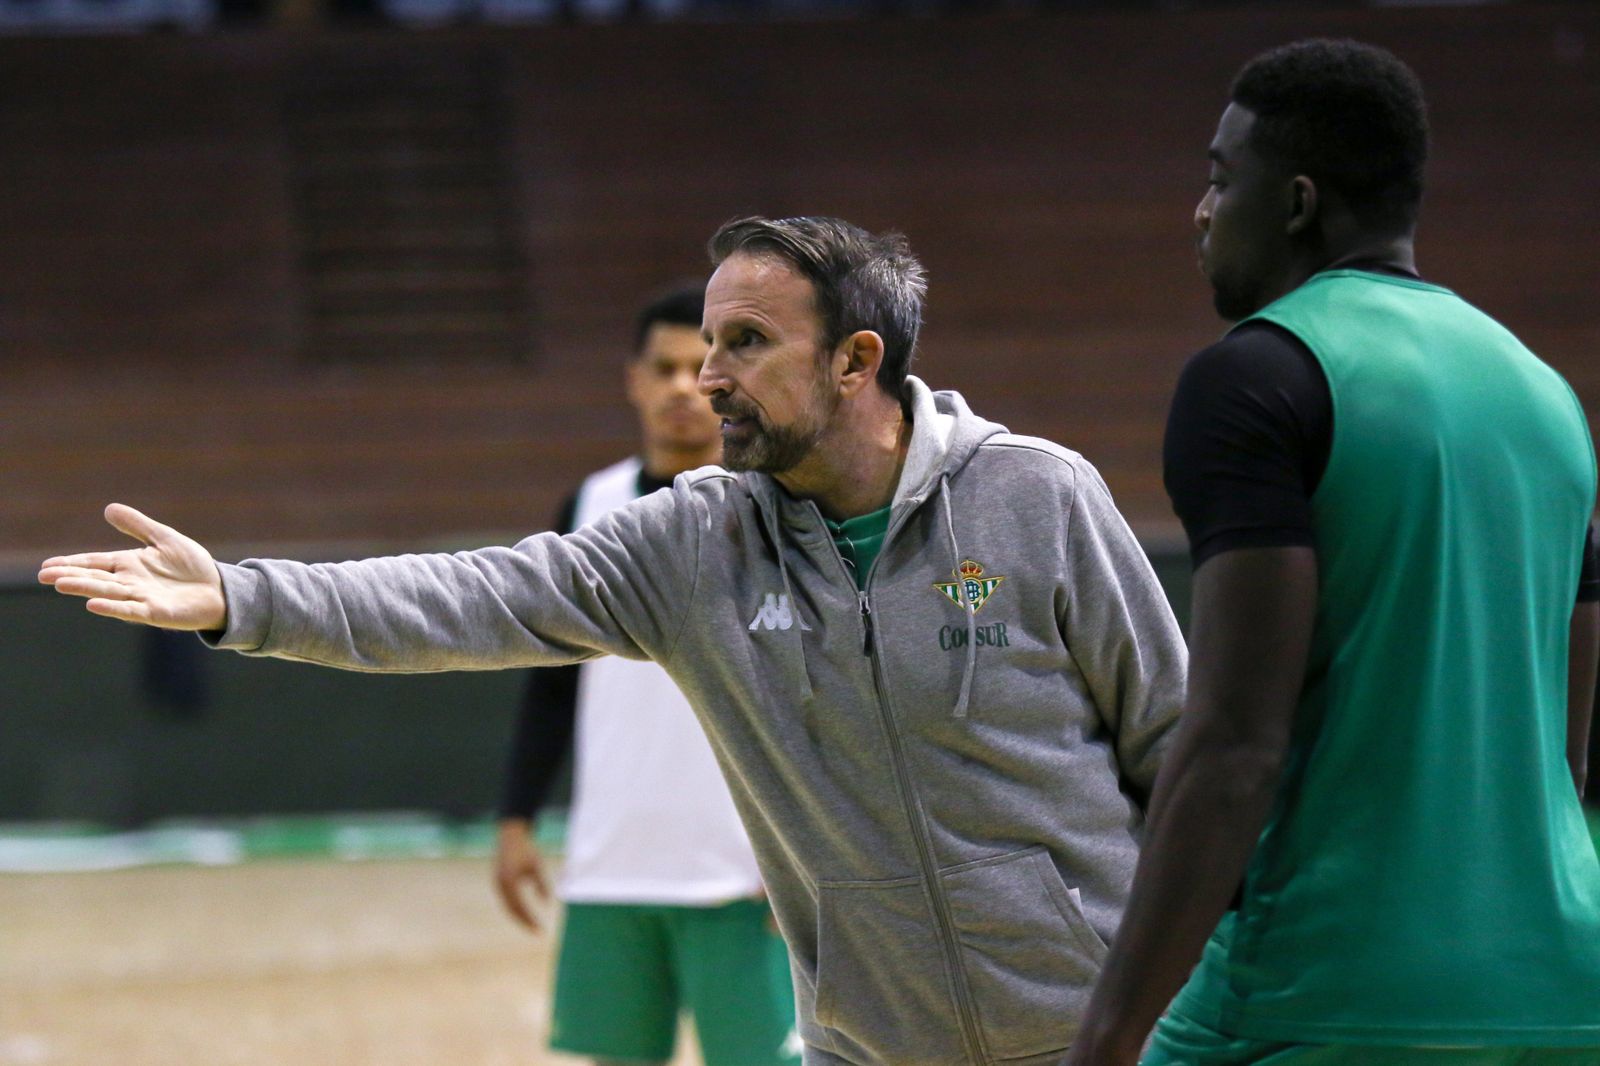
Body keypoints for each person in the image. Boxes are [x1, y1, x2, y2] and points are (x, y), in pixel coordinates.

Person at [40, 215, 1186, 1065]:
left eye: (746, 342)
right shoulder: (692, 539)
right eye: (705, 342)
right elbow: (477, 595)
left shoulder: (1037, 497)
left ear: (856, 359)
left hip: (1106, 1032)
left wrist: (1198, 990)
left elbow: (1173, 746)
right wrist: (243, 599)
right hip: (870, 1047)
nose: (708, 377)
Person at [1066, 39, 1600, 1066]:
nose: (1202, 211)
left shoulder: (1253, 378)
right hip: (1566, 995)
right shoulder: (1544, 394)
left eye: (1221, 179)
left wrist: (1108, 1035)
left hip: (1324, 992)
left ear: (1296, 203)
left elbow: (1234, 745)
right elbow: (1567, 754)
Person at [494, 284, 798, 1066]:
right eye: (663, 368)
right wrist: (517, 816)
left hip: (745, 874)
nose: (681, 388)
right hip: (613, 868)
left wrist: (809, 853)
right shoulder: (588, 504)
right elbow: (553, 679)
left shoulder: (780, 509)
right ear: (633, 378)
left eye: (700, 369)